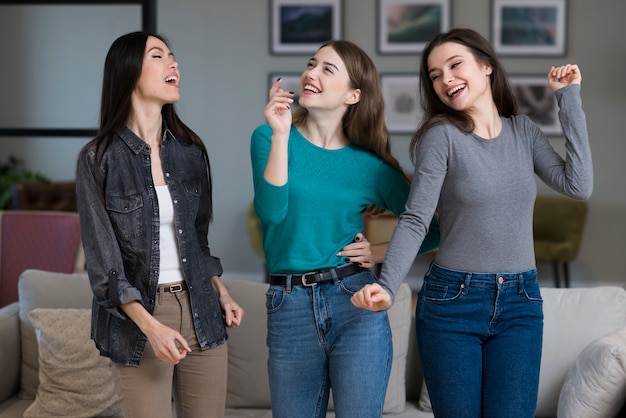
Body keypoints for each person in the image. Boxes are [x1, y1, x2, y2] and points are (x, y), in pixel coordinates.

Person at [351, 28, 593, 418]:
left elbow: (578, 185)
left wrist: (568, 97)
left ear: (486, 66)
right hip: (453, 302)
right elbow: (415, 220)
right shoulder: (441, 137)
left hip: (521, 303)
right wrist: (386, 285)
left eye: (454, 64)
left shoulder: (524, 132)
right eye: (434, 75)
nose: (445, 79)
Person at [250, 39, 440, 418]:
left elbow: (431, 229)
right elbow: (271, 213)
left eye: (326, 69)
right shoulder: (269, 137)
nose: (311, 73)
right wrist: (283, 135)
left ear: (354, 94)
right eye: (311, 63)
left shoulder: (369, 166)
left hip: (355, 301)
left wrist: (379, 252)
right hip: (289, 305)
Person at [76, 31, 243, 418]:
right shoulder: (98, 159)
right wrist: (151, 327)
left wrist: (222, 291)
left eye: (173, 56)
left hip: (203, 308)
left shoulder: (190, 151)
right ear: (129, 72)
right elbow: (105, 270)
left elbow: (198, 243)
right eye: (159, 56)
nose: (174, 63)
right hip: (141, 317)